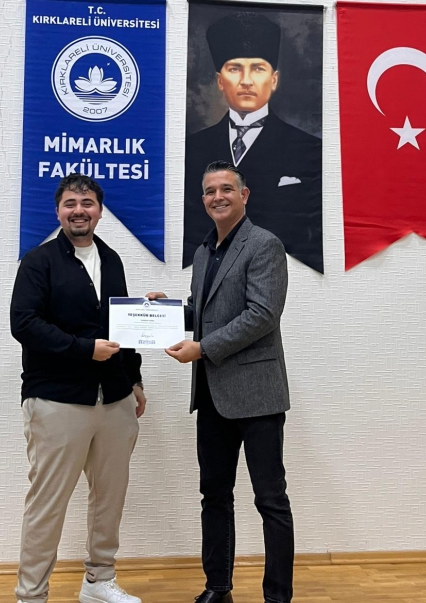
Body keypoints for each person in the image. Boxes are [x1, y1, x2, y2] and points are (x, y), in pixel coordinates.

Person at [148, 160, 294, 603]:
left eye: (226, 189)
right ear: (204, 199)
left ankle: (277, 597)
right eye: (210, 191)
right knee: (214, 495)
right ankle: (217, 588)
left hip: (259, 395)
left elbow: (262, 315)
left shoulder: (264, 245)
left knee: (270, 500)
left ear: (243, 195)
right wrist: (166, 311)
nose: (218, 197)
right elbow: (203, 312)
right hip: (212, 394)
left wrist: (203, 348)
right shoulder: (203, 251)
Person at [11, 174, 145, 603]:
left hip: (115, 399)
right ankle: (31, 595)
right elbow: (24, 324)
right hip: (56, 399)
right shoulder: (39, 261)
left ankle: (98, 582)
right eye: (70, 203)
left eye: (87, 203)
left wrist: (135, 377)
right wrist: (84, 349)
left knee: (109, 498)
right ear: (58, 212)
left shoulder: (112, 260)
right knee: (47, 504)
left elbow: (121, 326)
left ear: (100, 211)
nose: (79, 211)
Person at [183, 11, 322, 273]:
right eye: (235, 69)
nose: (246, 81)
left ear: (274, 79)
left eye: (258, 69)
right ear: (220, 81)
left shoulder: (309, 149)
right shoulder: (192, 149)